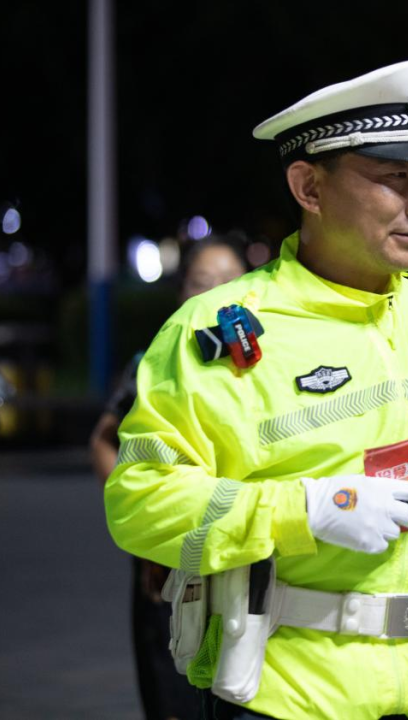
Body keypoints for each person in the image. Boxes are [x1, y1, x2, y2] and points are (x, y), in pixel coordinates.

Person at [103, 59, 408, 720]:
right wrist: (308, 509)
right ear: (309, 187)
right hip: (285, 697)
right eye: (395, 178)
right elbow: (140, 505)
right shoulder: (215, 328)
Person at [90, 235, 247, 720]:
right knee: (173, 695)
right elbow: (104, 441)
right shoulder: (157, 360)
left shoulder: (271, 359)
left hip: (246, 558)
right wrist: (143, 521)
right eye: (202, 282)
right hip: (170, 567)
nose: (216, 293)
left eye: (229, 281)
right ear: (181, 293)